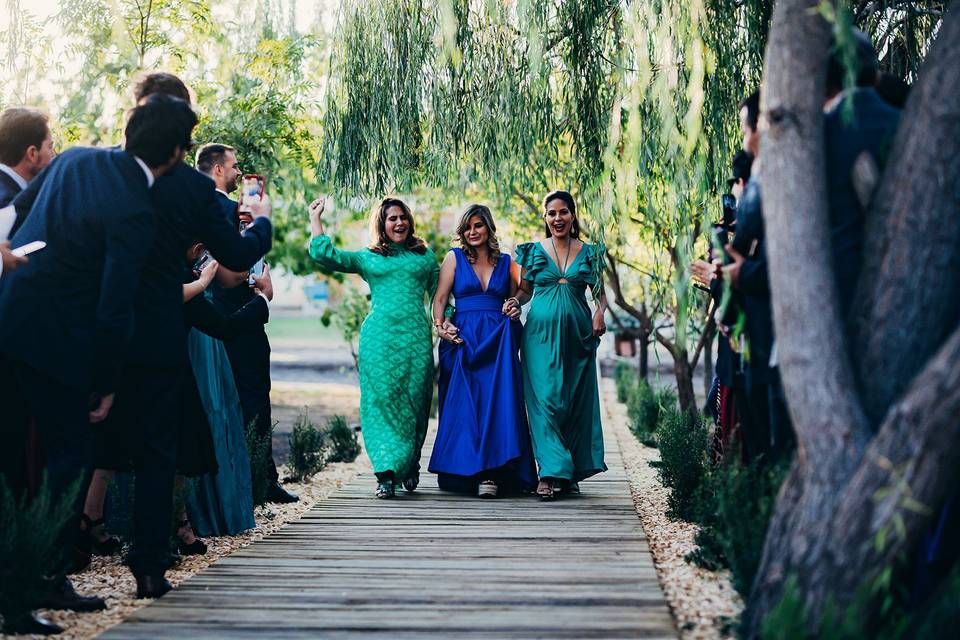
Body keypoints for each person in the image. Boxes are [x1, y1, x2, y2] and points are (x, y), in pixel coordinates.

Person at [0, 96, 196, 631]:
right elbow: (114, 305)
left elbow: (15, 213)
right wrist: (106, 383)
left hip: (8, 311)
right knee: (70, 455)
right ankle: (36, 575)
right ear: (177, 153)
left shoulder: (74, 157)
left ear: (127, 130)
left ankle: (34, 579)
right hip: (55, 338)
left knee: (16, 455)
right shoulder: (137, 208)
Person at [308, 196, 438, 499]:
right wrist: (316, 218)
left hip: (416, 339)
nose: (399, 223)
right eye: (392, 218)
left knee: (416, 402)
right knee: (380, 402)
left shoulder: (424, 256)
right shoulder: (369, 256)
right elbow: (327, 255)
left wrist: (448, 322)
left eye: (403, 217)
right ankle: (386, 473)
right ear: (382, 223)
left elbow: (439, 295)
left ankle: (409, 463)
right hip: (379, 339)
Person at [197, 143, 297, 504]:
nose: (240, 173)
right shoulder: (222, 209)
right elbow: (231, 270)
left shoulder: (217, 210)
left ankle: (253, 477)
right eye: (235, 167)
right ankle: (258, 479)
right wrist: (262, 293)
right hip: (234, 316)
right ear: (219, 170)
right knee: (251, 400)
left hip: (218, 315)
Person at [429, 204, 537, 498]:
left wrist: (515, 303)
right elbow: (439, 299)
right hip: (462, 339)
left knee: (499, 404)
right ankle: (468, 471)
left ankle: (494, 472)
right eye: (467, 227)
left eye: (478, 225)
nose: (473, 232)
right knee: (466, 405)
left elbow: (524, 290)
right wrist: (441, 326)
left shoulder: (506, 261)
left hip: (499, 340)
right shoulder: (454, 258)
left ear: (489, 227)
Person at [507, 190, 607, 500]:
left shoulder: (589, 253)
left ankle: (568, 471)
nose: (557, 218)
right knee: (545, 400)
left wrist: (600, 313)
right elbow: (525, 290)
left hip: (578, 337)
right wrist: (514, 301)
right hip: (538, 336)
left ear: (573, 215)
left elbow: (600, 293)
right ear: (545, 218)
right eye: (551, 213)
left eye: (563, 212)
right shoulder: (534, 251)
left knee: (571, 402)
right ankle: (549, 473)